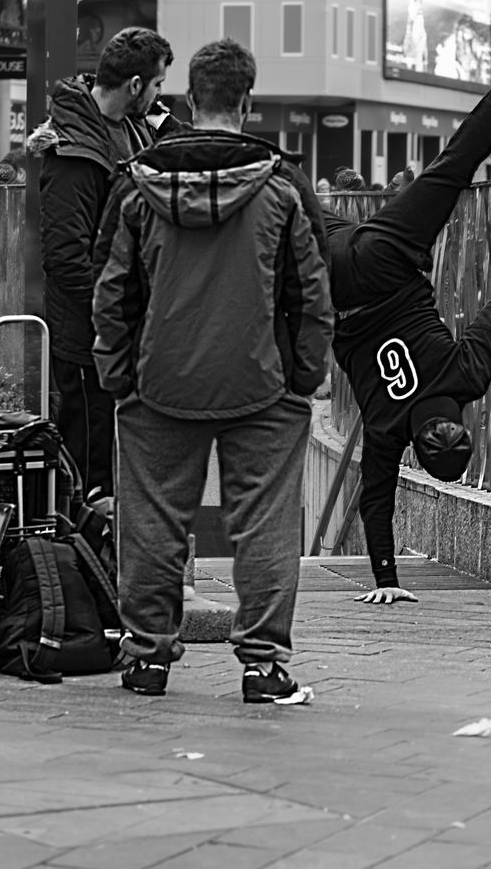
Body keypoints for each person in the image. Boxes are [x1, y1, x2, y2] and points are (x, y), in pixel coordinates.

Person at [93, 37, 332, 700]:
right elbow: (311, 292)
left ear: (190, 100)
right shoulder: (281, 184)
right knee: (265, 523)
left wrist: (120, 374)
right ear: (247, 102)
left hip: (159, 382)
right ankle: (263, 665)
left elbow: (110, 289)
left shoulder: (139, 184)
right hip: (262, 385)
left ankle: (147, 658)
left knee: (151, 521)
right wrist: (303, 376)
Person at [322, 23, 491, 604]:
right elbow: (376, 497)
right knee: (272, 205)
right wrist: (385, 581)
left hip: (387, 257)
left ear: (462, 431)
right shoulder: (389, 432)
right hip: (340, 282)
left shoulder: (466, 379)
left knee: (455, 165)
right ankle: (175, 132)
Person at [27, 26, 175, 504]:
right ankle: (83, 570)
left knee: (117, 469)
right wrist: (117, 314)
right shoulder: (74, 155)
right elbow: (66, 260)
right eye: (155, 86)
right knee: (91, 474)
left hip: (119, 334)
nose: (158, 97)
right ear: (135, 86)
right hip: (88, 342)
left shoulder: (130, 133)